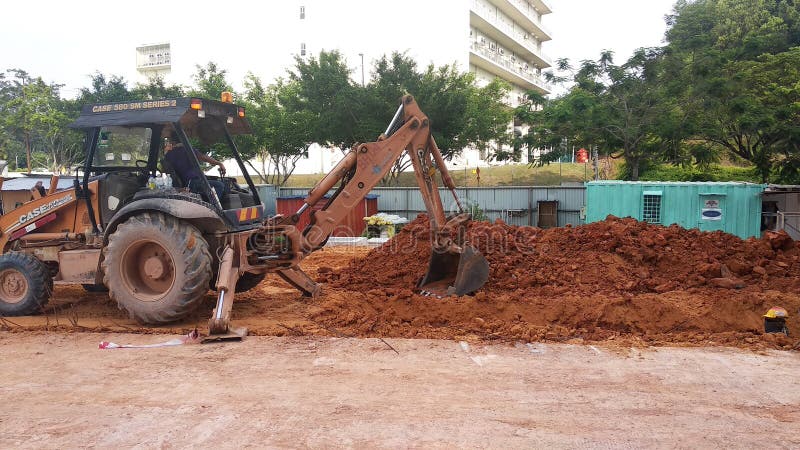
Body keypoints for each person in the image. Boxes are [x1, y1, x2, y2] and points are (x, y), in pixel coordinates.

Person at [163, 135, 227, 201]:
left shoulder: (169, 154)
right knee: (219, 185)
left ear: (172, 141)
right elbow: (204, 158)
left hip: (185, 182)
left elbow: (165, 169)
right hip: (193, 182)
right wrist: (219, 163)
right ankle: (213, 207)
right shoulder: (188, 150)